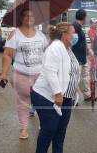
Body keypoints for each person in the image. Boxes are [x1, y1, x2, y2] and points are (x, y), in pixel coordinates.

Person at [30, 22, 80, 153]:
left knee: (60, 131)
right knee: (48, 131)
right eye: (73, 32)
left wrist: (74, 91)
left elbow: (72, 72)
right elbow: (50, 71)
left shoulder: (67, 48)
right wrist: (58, 94)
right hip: (47, 96)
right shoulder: (55, 47)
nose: (76, 35)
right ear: (64, 35)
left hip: (66, 98)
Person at [1, 9, 48, 140]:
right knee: (24, 101)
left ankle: (44, 125)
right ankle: (24, 128)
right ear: (21, 18)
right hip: (21, 74)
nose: (29, 17)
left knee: (42, 100)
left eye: (32, 15)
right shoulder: (14, 34)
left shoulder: (41, 35)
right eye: (26, 15)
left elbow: (47, 53)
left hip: (40, 75)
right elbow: (7, 54)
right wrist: (4, 74)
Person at [71, 9, 93, 101]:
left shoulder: (78, 26)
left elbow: (81, 41)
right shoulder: (75, 26)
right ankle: (72, 98)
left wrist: (88, 49)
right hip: (77, 58)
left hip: (82, 58)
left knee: (85, 77)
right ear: (84, 17)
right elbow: (71, 41)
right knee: (76, 79)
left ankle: (87, 95)